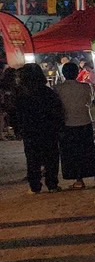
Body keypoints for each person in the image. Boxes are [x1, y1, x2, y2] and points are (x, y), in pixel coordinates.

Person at [11, 63, 63, 194]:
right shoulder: (48, 93)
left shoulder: (22, 95)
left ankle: (35, 186)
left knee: (32, 158)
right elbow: (57, 112)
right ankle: (52, 184)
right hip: (48, 130)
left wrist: (18, 129)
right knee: (51, 157)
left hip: (30, 131)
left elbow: (16, 114)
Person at [55, 61, 95, 189]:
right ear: (77, 73)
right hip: (85, 122)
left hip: (68, 124)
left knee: (73, 154)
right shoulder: (86, 87)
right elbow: (89, 101)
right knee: (89, 151)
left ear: (64, 74)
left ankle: (79, 180)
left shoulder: (58, 89)